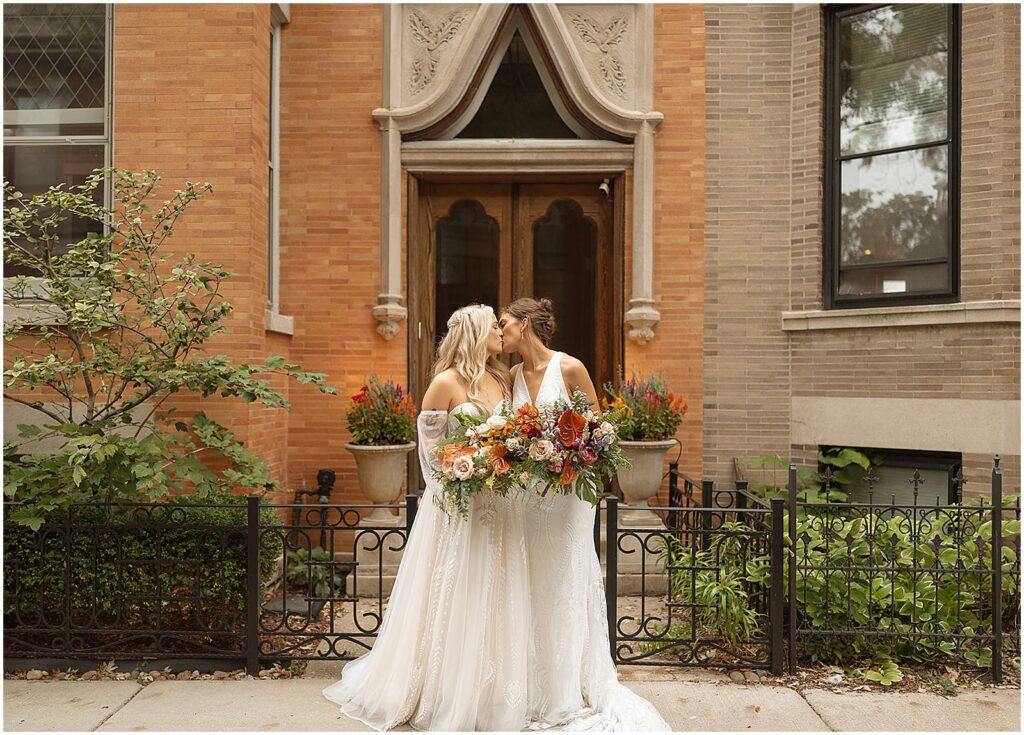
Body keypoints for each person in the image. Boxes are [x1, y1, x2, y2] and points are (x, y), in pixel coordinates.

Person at [323, 304, 533, 731]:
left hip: (501, 506)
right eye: (493, 325)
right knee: (457, 591)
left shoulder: (500, 378)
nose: (499, 331)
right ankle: (443, 690)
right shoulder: (444, 384)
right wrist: (467, 472)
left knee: (495, 590)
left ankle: (491, 689)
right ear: (474, 333)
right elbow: (431, 454)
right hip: (459, 507)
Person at [499, 297, 671, 731]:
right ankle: (537, 686)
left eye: (503, 324)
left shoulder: (570, 368)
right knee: (533, 581)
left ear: (524, 325)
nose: (499, 331)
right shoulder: (513, 374)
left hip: (569, 496)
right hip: (527, 498)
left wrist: (566, 456)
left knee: (565, 579)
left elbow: (600, 435)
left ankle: (570, 686)